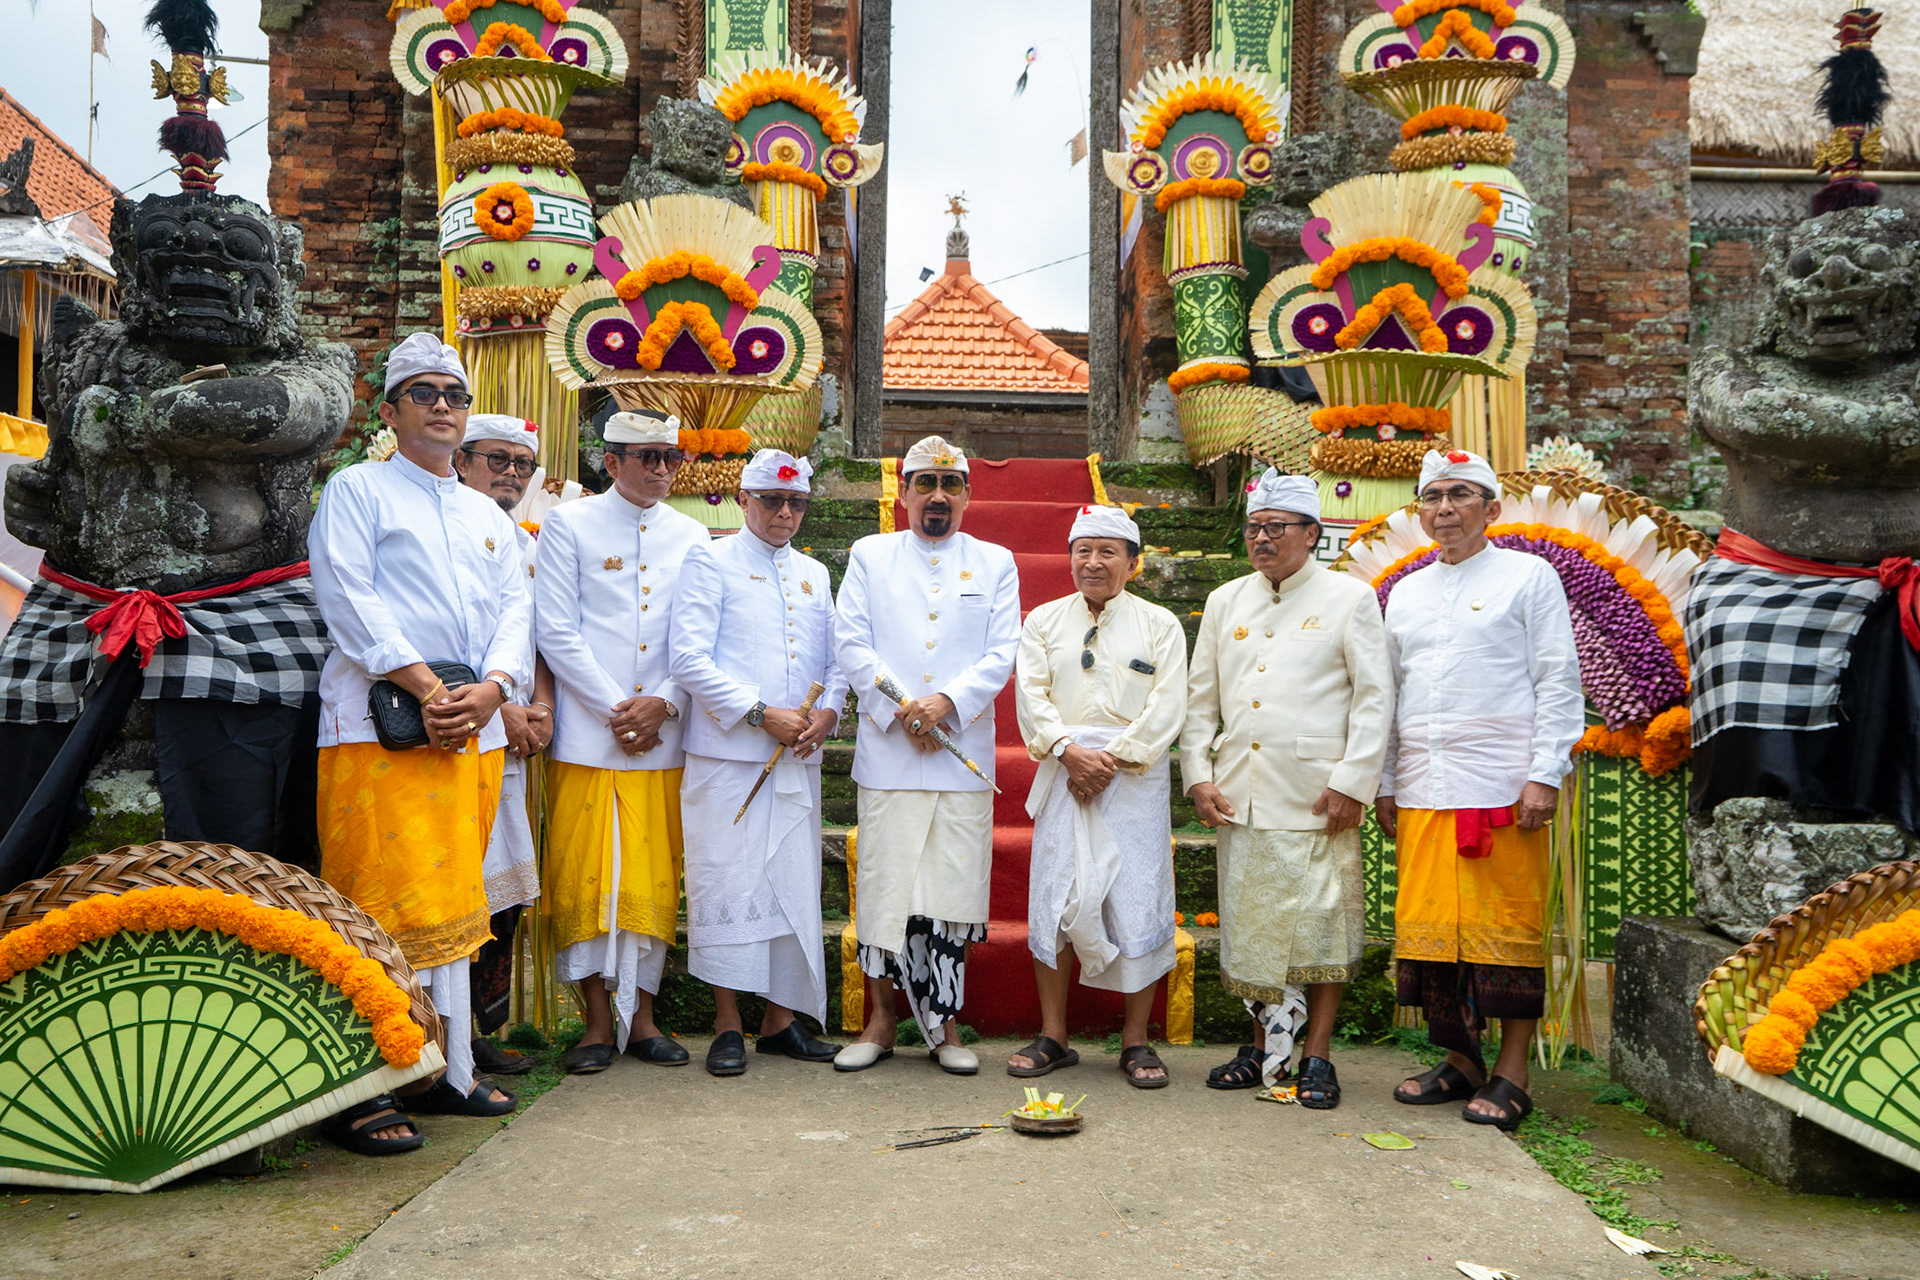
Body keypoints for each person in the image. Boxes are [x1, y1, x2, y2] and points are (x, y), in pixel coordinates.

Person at [309, 332, 530, 1152]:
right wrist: (429, 689)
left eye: (454, 394)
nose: (443, 405)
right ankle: (364, 1090)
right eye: (426, 393)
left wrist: (495, 689)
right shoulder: (357, 491)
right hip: (380, 729)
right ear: (392, 410)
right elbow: (348, 595)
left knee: (455, 909)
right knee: (379, 909)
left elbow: (517, 611)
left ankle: (448, 1070)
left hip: (472, 732)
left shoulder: (486, 514)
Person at [1381, 449, 1582, 1130]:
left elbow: (1557, 679)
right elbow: (1391, 696)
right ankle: (1460, 1060)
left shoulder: (1529, 576)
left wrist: (1544, 773)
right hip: (1423, 788)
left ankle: (1512, 1072)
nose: (1444, 508)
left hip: (1502, 788)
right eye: (1432, 496)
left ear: (1492, 508)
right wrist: (1386, 782)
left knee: (1506, 935)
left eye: (1460, 494)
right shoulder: (1406, 592)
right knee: (1433, 938)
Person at [1181, 470, 1393, 1110]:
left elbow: (1374, 698)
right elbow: (1200, 700)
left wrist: (1353, 782)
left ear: (1312, 533)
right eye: (1254, 528)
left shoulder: (1350, 598)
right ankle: (1259, 1049)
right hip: (1240, 793)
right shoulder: (1226, 600)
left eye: (1276, 527)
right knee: (1254, 928)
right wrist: (1197, 774)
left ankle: (1317, 1055)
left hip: (1318, 796)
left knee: (1321, 932)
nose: (1262, 538)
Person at [832, 435, 1020, 1075]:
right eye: (925, 483)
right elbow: (851, 641)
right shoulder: (871, 554)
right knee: (884, 889)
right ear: (905, 493)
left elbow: (1002, 651)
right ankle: (881, 1021)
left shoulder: (995, 561)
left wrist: (945, 704)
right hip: (890, 752)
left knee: (951, 893)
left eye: (950, 484)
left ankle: (945, 1026)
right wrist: (902, 706)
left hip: (958, 755)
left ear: (968, 495)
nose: (937, 496)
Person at [534, 409, 707, 1074]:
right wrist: (618, 711)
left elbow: (699, 635)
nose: (662, 469)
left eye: (671, 457)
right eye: (647, 457)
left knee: (651, 877)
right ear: (611, 462)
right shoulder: (569, 524)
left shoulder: (692, 534)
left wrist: (663, 702)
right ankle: (596, 1022)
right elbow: (556, 629)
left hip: (662, 734)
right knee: (582, 874)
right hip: (589, 735)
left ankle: (643, 1019)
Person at [669, 449, 847, 1075]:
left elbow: (836, 660)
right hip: (726, 756)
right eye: (773, 500)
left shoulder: (814, 573)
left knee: (789, 883)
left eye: (796, 502)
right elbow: (688, 659)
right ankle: (727, 1024)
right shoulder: (709, 560)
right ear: (744, 499)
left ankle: (780, 1019)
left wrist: (830, 714)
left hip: (797, 755)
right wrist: (759, 712)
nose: (785, 513)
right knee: (726, 883)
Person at [1008, 504, 1188, 1088]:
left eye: (1108, 552)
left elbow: (1169, 703)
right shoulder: (1042, 621)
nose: (1093, 562)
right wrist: (1068, 751)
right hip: (1065, 771)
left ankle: (1136, 1039)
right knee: (1058, 895)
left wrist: (1115, 757)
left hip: (1131, 778)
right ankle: (1054, 1035)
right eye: (1082, 551)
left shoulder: (1160, 624)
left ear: (1133, 563)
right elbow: (1031, 696)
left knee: (1137, 896)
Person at [452, 413, 555, 1077]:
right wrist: (504, 707)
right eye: (497, 459)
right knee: (459, 885)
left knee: (502, 892)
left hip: (513, 742)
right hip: (459, 729)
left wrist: (540, 707)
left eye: (522, 463)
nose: (511, 473)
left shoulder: (525, 541)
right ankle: (440, 1033)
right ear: (462, 461)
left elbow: (534, 636)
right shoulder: (449, 528)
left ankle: (476, 1030)